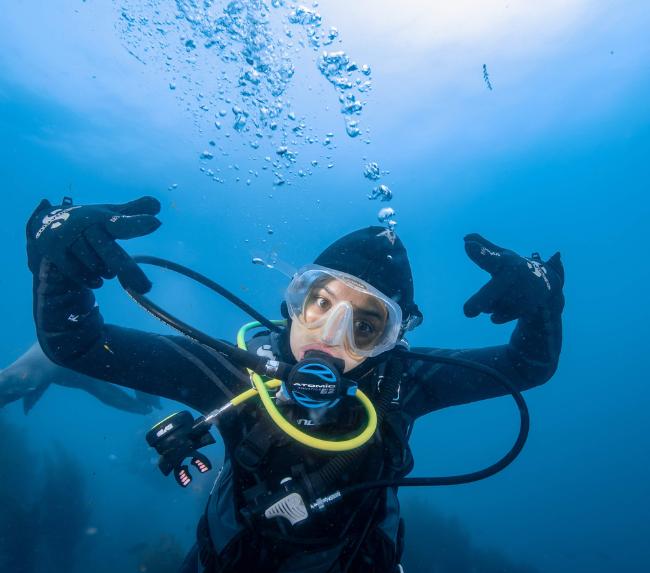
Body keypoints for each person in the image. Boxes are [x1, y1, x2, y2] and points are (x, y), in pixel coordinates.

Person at [25, 196, 564, 573]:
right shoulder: (237, 373)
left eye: (366, 325)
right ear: (294, 303)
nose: (330, 337)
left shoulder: (403, 384)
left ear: (391, 340)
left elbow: (527, 366)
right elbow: (78, 345)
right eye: (321, 303)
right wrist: (58, 271)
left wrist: (543, 308)